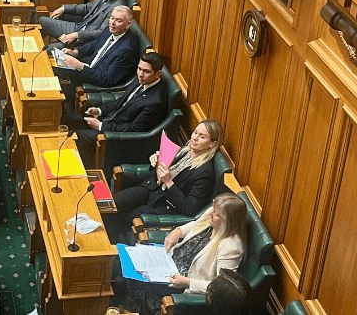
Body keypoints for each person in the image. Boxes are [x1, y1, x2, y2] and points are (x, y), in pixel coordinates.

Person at [118, 193, 247, 315]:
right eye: (213, 209)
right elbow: (196, 224)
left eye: (217, 214)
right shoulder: (212, 215)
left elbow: (221, 288)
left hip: (181, 282)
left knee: (140, 284)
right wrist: (177, 232)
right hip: (168, 261)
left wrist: (187, 282)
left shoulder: (231, 246)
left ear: (228, 222)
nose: (211, 214)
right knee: (130, 268)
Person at [107, 120, 222, 243]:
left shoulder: (205, 173)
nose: (194, 138)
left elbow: (189, 208)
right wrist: (156, 163)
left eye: (202, 137)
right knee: (115, 202)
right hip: (152, 188)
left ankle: (111, 246)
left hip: (165, 204)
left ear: (211, 144)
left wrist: (169, 182)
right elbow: (158, 173)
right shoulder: (185, 151)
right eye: (195, 132)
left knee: (127, 215)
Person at [67, 52, 169, 171]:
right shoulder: (142, 81)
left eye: (146, 71)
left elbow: (133, 129)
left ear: (158, 74)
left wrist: (101, 126)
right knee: (70, 120)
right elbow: (121, 101)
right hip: (110, 120)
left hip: (119, 139)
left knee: (78, 136)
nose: (140, 74)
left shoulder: (155, 102)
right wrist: (99, 110)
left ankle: (82, 173)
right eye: (139, 69)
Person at [39, 0, 129, 48]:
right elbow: (87, 7)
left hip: (84, 40)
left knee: (46, 50)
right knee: (42, 20)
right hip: (80, 26)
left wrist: (77, 35)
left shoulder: (117, 8)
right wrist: (64, 8)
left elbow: (102, 32)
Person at [56, 5, 140, 89]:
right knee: (55, 65)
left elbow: (106, 79)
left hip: (97, 78)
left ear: (128, 25)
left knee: (57, 76)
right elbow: (95, 45)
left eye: (118, 21)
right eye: (112, 18)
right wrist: (75, 52)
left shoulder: (127, 50)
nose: (112, 23)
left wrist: (80, 66)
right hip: (89, 67)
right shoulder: (109, 30)